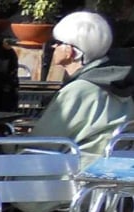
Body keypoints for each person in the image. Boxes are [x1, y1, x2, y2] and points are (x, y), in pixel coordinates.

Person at [32, 11, 134, 168]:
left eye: (57, 42)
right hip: (111, 177)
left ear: (70, 51)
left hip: (69, 177)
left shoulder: (80, 90)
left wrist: (5, 141)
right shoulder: (120, 82)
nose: (53, 46)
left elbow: (41, 142)